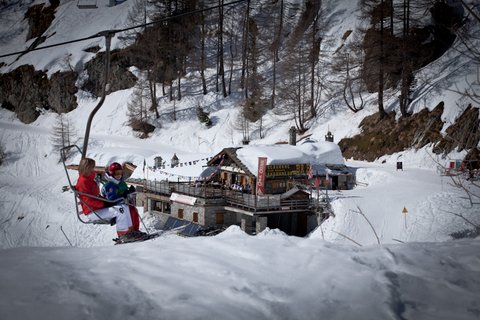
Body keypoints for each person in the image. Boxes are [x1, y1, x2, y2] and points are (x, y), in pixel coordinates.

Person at [75, 158, 145, 242]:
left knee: (125, 207)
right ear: (86, 168)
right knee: (120, 210)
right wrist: (104, 204)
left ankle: (131, 232)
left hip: (97, 208)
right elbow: (88, 200)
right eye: (91, 168)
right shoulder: (83, 182)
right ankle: (123, 235)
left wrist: (105, 201)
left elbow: (95, 195)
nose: (93, 169)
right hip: (92, 211)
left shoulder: (89, 179)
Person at [101, 162, 140, 232]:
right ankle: (129, 231)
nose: (119, 175)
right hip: (112, 205)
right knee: (129, 211)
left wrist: (129, 191)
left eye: (120, 173)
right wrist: (124, 196)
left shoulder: (119, 182)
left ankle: (135, 230)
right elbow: (111, 199)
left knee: (133, 210)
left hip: (121, 203)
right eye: (116, 173)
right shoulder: (111, 185)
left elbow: (123, 190)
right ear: (112, 173)